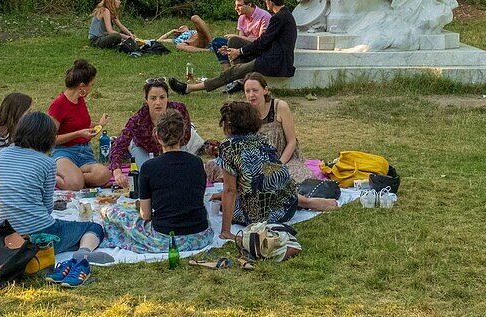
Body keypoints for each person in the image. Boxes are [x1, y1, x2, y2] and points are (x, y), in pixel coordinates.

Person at [0, 111, 108, 285]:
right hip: (37, 234)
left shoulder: (2, 155)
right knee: (94, 227)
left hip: (0, 234)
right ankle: (84, 251)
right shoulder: (46, 163)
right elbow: (47, 207)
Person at [215, 101, 337, 242]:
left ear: (228, 125)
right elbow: (264, 174)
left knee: (223, 206)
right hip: (287, 206)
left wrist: (225, 231)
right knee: (271, 185)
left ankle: (305, 202)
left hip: (260, 217)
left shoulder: (228, 147)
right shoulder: (262, 139)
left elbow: (230, 190)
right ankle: (307, 202)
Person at [99, 109, 215, 254]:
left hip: (166, 237)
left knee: (110, 211)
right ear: (183, 135)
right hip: (200, 234)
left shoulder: (149, 167)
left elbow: (145, 215)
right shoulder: (197, 162)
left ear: (157, 136)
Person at [169, 0, 297, 94]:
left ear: (271, 2)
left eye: (266, 0)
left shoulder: (279, 17)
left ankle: (190, 88)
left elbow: (262, 41)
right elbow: (266, 43)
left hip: (275, 61)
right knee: (235, 41)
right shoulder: (284, 15)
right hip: (270, 55)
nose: (265, 3)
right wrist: (236, 49)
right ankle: (239, 81)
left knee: (234, 70)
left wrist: (240, 52)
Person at [107, 79, 209, 185]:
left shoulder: (179, 110)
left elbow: (186, 137)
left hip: (174, 146)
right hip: (144, 149)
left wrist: (167, 156)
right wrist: (117, 171)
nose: (158, 103)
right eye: (153, 98)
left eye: (162, 97)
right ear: (146, 100)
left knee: (180, 173)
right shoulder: (138, 120)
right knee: (149, 175)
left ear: (167, 98)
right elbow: (120, 143)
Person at [48, 59, 112, 190]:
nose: (92, 88)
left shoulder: (80, 100)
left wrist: (99, 124)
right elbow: (50, 139)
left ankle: (74, 177)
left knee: (104, 174)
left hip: (85, 152)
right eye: (92, 85)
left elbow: (83, 125)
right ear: (82, 86)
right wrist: (78, 134)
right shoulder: (58, 105)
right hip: (64, 152)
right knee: (75, 184)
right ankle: (49, 175)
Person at [243, 73, 310, 183]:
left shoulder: (280, 107)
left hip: (284, 159)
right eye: (247, 91)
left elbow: (292, 142)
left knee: (294, 178)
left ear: (265, 90)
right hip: (257, 162)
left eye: (255, 90)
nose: (251, 95)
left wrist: (278, 166)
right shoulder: (244, 111)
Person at [208, 0, 273, 68]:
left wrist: (235, 38)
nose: (236, 8)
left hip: (257, 48)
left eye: (239, 5)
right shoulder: (242, 18)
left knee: (234, 40)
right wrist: (229, 46)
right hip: (244, 46)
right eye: (236, 5)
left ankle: (238, 72)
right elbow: (240, 40)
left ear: (249, 4)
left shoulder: (264, 16)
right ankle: (227, 71)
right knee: (217, 42)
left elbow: (261, 42)